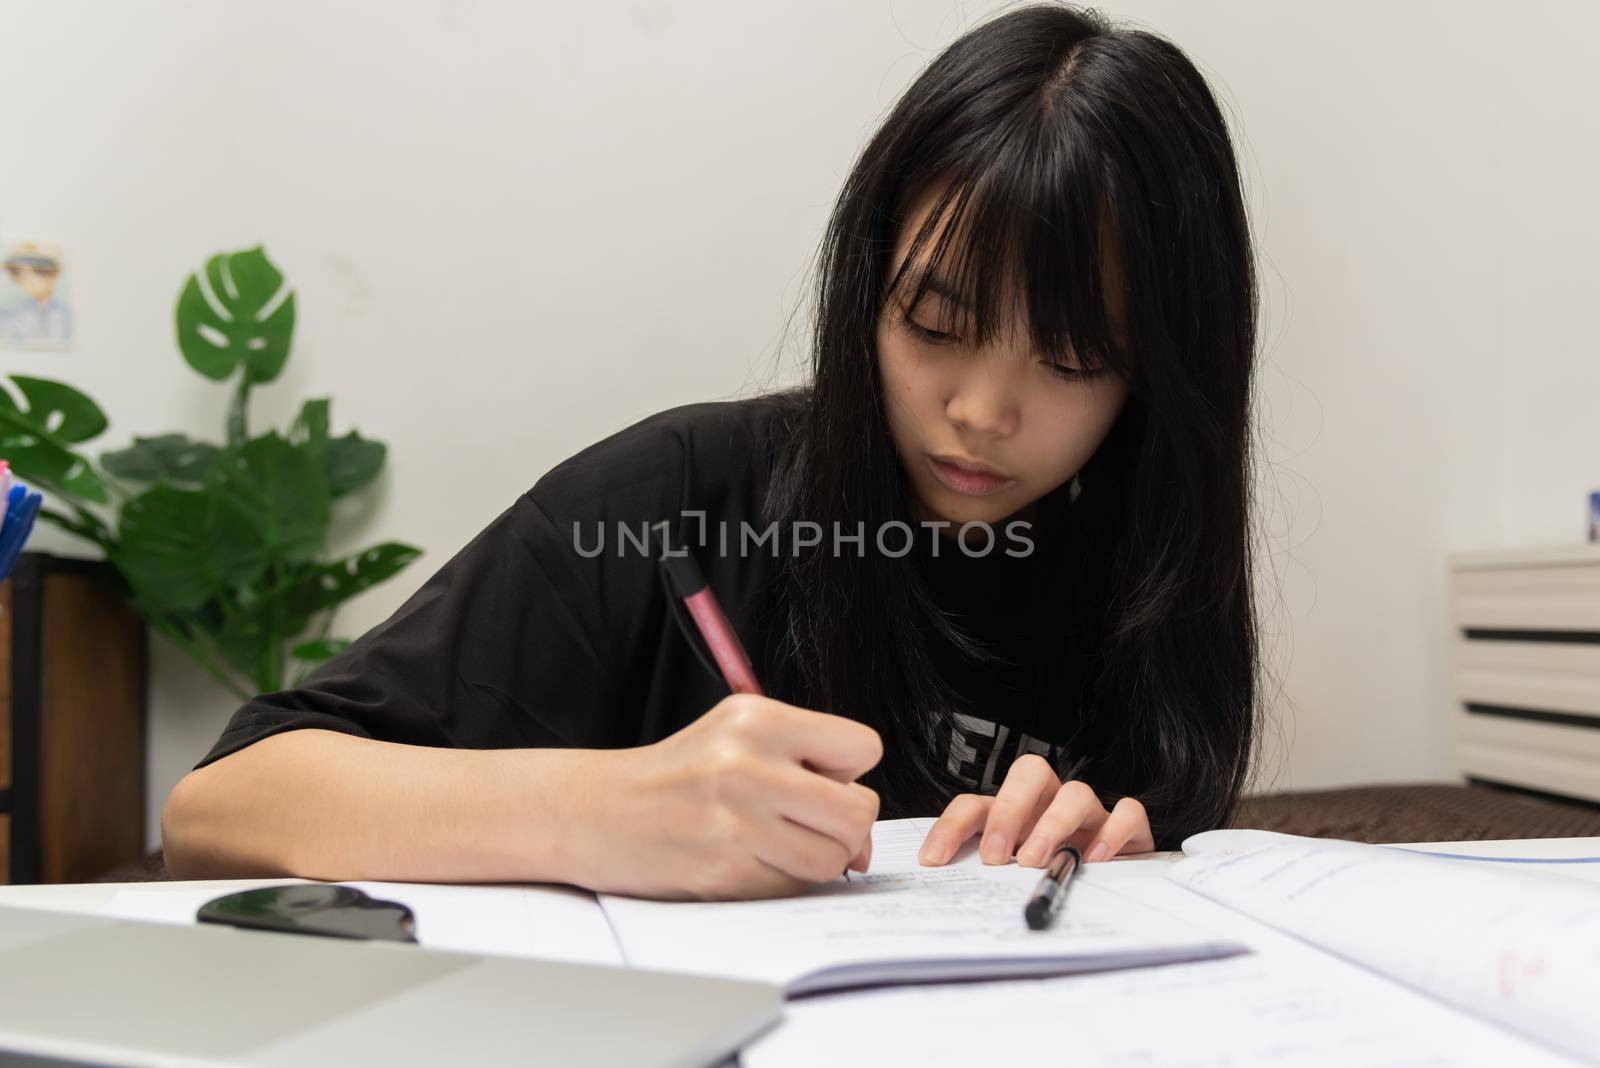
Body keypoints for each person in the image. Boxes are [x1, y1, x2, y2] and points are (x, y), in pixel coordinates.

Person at [162, 2, 1262, 900]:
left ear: (1162, 375)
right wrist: (602, 814)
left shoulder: (1143, 570)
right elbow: (216, 812)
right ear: (862, 291)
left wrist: (1120, 867)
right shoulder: (674, 498)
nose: (981, 409)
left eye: (1071, 358)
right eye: (933, 323)